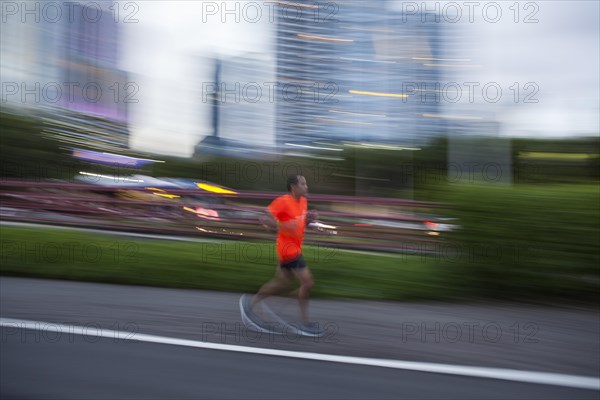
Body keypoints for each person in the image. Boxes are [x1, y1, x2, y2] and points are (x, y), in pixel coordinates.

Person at [241, 175, 322, 336]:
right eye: (303, 184)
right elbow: (264, 218)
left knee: (282, 284)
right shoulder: (283, 201)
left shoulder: (303, 202)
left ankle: (250, 303)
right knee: (307, 283)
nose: (307, 187)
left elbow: (298, 223)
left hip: (295, 249)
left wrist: (309, 221)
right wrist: (281, 225)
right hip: (288, 250)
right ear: (293, 187)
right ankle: (304, 324)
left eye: (306, 184)